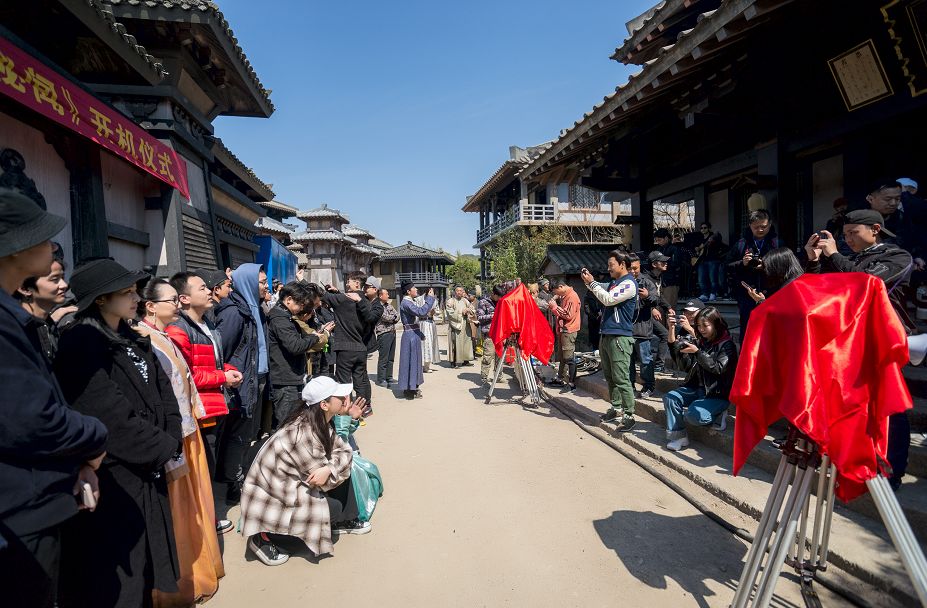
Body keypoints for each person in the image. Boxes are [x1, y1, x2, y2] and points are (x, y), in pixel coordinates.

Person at [0, 190, 107, 608]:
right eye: (43, 238)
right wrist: (95, 438)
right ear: (16, 251)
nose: (52, 248)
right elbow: (35, 419)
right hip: (20, 511)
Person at [54, 259, 183, 607]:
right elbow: (108, 414)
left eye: (135, 291)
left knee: (144, 568)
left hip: (147, 466)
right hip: (115, 471)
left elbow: (163, 391)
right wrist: (163, 445)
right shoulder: (82, 342)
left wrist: (171, 435)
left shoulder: (130, 336)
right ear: (100, 300)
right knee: (118, 572)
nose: (135, 298)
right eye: (125, 292)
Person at [805, 209, 915, 490]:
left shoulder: (897, 256)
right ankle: (857, 461)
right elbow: (820, 290)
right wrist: (814, 260)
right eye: (844, 235)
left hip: (884, 342)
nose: (848, 240)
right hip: (849, 343)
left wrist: (833, 255)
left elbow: (867, 282)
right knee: (854, 404)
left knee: (889, 406)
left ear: (875, 229)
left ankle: (892, 471)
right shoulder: (848, 259)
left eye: (853, 233)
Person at [137, 278, 225, 605]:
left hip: (187, 431)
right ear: (151, 306)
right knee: (179, 512)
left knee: (195, 507)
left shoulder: (160, 336)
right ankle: (179, 583)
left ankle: (198, 571)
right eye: (172, 300)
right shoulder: (144, 339)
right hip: (172, 437)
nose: (178, 305)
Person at [240, 376, 368, 566]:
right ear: (324, 404)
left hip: (291, 488)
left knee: (340, 469)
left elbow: (344, 450)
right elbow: (322, 480)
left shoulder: (317, 419)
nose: (346, 399)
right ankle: (264, 537)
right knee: (331, 508)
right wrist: (330, 469)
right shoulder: (302, 434)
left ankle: (344, 519)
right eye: (340, 397)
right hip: (273, 501)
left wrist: (330, 468)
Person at [165, 272, 242, 510]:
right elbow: (184, 374)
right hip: (201, 408)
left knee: (211, 460)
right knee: (203, 465)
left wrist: (227, 370)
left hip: (215, 402)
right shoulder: (178, 330)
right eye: (202, 288)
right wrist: (222, 377)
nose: (209, 291)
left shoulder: (207, 323)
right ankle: (204, 518)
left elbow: (212, 362)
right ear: (184, 298)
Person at [212, 263, 269, 504]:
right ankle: (233, 484)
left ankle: (237, 476)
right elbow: (220, 352)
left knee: (246, 434)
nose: (267, 286)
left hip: (255, 380)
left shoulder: (254, 308)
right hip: (241, 382)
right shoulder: (235, 312)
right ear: (247, 282)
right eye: (262, 282)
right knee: (238, 435)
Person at [662, 306, 738, 451]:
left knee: (694, 415)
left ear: (716, 324)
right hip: (697, 388)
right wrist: (682, 350)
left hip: (717, 394)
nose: (701, 329)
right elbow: (686, 367)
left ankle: (717, 412)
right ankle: (679, 436)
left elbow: (718, 369)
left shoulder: (727, 345)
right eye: (698, 326)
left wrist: (698, 352)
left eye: (705, 325)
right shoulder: (700, 342)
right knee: (671, 397)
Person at [580, 251, 638, 431]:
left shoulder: (629, 284)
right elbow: (600, 287)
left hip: (620, 337)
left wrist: (592, 284)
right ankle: (616, 407)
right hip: (607, 334)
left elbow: (608, 299)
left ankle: (629, 415)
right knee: (610, 376)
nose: (608, 268)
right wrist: (590, 282)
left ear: (622, 264)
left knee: (621, 378)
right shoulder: (615, 282)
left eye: (611, 264)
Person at [267, 281, 333, 429]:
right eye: (301, 304)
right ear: (288, 299)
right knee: (286, 425)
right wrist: (315, 337)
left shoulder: (285, 316)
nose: (303, 308)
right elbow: (295, 346)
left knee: (291, 422)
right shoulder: (280, 319)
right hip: (285, 380)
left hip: (291, 377)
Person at [321, 273, 374, 411]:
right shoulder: (365, 301)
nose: (346, 284)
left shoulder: (343, 299)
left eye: (349, 281)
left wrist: (303, 280)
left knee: (344, 382)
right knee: (360, 381)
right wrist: (337, 292)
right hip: (360, 348)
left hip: (345, 348)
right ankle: (363, 408)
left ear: (357, 283)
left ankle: (345, 410)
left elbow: (324, 296)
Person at [729, 209, 781, 342]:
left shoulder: (777, 243)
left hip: (771, 293)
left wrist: (766, 265)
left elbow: (786, 265)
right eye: (756, 227)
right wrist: (743, 263)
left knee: (771, 330)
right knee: (747, 330)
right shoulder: (741, 244)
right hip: (747, 295)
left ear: (769, 224)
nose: (760, 230)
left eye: (763, 227)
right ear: (750, 226)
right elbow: (727, 266)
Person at [14, 256, 75, 361]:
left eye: (63, 278)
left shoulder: (49, 325)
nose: (64, 285)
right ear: (25, 288)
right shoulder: (16, 331)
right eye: (55, 279)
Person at [628, 254, 661, 399]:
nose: (633, 271)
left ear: (640, 266)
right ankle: (630, 385)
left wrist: (647, 296)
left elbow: (656, 300)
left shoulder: (647, 282)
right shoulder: (622, 282)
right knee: (628, 362)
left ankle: (649, 386)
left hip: (642, 328)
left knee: (645, 360)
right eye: (629, 268)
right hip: (627, 330)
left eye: (635, 268)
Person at [397, 282, 436, 399]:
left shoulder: (409, 302)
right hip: (410, 336)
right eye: (414, 288)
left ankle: (412, 386)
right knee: (410, 362)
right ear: (408, 291)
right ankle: (409, 388)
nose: (416, 289)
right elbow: (421, 312)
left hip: (413, 334)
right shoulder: (406, 303)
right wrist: (430, 299)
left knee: (414, 362)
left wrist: (420, 333)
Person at [548, 279, 581, 391]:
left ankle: (572, 384)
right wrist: (555, 298)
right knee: (562, 356)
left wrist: (554, 307)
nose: (556, 294)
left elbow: (568, 315)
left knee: (568, 357)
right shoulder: (565, 295)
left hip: (569, 330)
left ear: (561, 286)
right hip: (563, 330)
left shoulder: (572, 296)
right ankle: (560, 378)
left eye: (556, 291)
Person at [643, 251, 672, 372]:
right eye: (663, 261)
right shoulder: (645, 279)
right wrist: (652, 308)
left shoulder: (658, 277)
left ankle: (658, 365)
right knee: (663, 335)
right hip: (643, 314)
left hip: (649, 314)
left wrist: (668, 307)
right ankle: (656, 366)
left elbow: (659, 296)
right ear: (654, 264)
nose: (666, 263)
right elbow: (640, 297)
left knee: (664, 335)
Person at [477, 285, 504, 384]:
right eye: (498, 296)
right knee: (488, 356)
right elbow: (479, 317)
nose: (500, 298)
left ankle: (498, 376)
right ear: (493, 294)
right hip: (489, 334)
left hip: (500, 334)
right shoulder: (483, 302)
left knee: (500, 356)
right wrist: (493, 316)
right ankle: (484, 378)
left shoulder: (501, 302)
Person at [653, 228, 686, 307]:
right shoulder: (659, 249)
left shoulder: (674, 249)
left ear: (666, 238)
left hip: (671, 281)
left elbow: (677, 264)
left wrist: (664, 262)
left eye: (660, 240)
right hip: (661, 280)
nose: (658, 242)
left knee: (669, 306)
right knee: (660, 308)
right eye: (657, 240)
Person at [695, 222, 727, 302]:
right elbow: (696, 248)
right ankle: (705, 294)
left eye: (705, 227)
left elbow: (719, 241)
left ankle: (713, 294)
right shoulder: (700, 239)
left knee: (713, 278)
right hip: (702, 261)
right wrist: (697, 248)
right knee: (701, 279)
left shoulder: (713, 237)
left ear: (709, 228)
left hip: (712, 260)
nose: (703, 229)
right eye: (701, 228)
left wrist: (713, 242)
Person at [374, 288, 399, 387]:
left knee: (391, 357)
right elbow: (385, 317)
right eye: (386, 294)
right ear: (381, 296)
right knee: (383, 358)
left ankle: (389, 376)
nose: (388, 296)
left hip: (392, 332)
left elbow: (397, 316)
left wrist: (393, 318)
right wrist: (393, 318)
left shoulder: (389, 305)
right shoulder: (378, 306)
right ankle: (381, 379)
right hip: (383, 334)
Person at [445, 285, 474, 367]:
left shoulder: (465, 301)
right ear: (454, 292)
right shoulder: (451, 301)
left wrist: (468, 310)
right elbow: (450, 313)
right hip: (456, 325)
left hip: (465, 324)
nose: (459, 292)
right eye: (457, 290)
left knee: (466, 342)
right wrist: (462, 312)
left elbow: (472, 309)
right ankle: (454, 361)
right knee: (455, 343)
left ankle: (466, 359)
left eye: (461, 291)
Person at [416, 291, 440, 372]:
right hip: (422, 323)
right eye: (430, 290)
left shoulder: (434, 300)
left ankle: (427, 366)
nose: (432, 292)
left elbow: (438, 312)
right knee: (423, 344)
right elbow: (416, 311)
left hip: (430, 323)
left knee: (430, 343)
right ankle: (419, 365)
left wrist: (434, 312)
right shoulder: (419, 299)